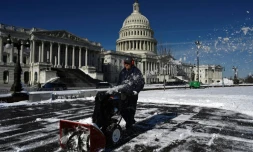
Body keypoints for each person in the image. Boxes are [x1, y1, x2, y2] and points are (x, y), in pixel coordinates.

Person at [117, 57, 145, 129]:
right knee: (121, 109)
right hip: (123, 94)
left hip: (132, 95)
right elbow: (119, 82)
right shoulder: (122, 72)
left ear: (131, 63)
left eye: (128, 63)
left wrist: (136, 90)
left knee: (131, 111)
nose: (126, 65)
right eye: (125, 63)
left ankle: (129, 126)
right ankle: (130, 121)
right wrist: (117, 88)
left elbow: (141, 83)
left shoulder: (136, 72)